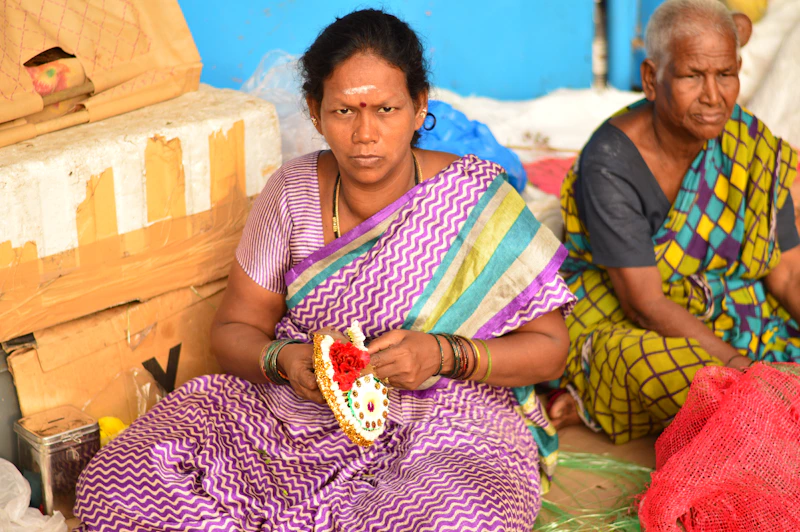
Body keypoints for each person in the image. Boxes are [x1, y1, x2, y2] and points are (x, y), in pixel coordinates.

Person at [74, 9, 575, 531]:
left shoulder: (474, 197)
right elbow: (232, 331)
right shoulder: (291, 194)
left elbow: (549, 348)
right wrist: (288, 362)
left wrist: (443, 353)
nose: (365, 133)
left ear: (419, 105)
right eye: (343, 111)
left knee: (455, 518)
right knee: (118, 478)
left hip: (446, 419)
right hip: (295, 414)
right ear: (314, 112)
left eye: (386, 108)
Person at [548, 0, 800, 445]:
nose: (713, 95)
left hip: (730, 311)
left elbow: (788, 273)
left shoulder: (751, 147)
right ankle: (594, 394)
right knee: (648, 366)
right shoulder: (610, 161)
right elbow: (644, 304)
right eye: (691, 76)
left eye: (725, 75)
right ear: (651, 79)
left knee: (765, 373)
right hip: (628, 319)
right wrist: (741, 370)